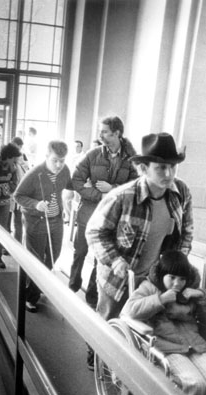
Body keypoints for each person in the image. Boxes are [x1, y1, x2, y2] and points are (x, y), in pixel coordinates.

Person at [86, 132, 193, 323]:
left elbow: (187, 230)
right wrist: (115, 261)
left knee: (140, 330)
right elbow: (95, 232)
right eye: (161, 168)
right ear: (144, 168)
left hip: (154, 281)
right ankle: (94, 354)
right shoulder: (122, 197)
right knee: (109, 326)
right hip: (118, 280)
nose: (168, 174)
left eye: (172, 167)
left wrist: (179, 261)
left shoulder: (181, 192)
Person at [121, 250, 206, 395]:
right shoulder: (150, 287)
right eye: (172, 277)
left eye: (182, 279)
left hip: (193, 343)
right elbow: (129, 310)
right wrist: (160, 299)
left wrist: (200, 296)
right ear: (162, 275)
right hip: (167, 346)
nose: (177, 283)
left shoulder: (190, 291)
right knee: (196, 383)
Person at [70, 116, 137, 305]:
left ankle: (92, 296)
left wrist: (112, 189)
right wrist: (98, 195)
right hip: (88, 211)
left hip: (113, 217)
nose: (100, 134)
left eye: (104, 131)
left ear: (116, 133)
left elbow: (134, 187)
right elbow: (76, 180)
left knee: (102, 256)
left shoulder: (132, 159)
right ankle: (72, 284)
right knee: (80, 250)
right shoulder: (92, 155)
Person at [14, 140, 72, 313]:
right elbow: (18, 195)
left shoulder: (65, 170)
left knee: (53, 256)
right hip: (36, 221)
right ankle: (30, 296)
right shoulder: (35, 174)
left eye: (62, 160)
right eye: (55, 160)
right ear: (46, 156)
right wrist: (35, 204)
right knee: (36, 260)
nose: (59, 165)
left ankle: (39, 285)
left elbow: (71, 184)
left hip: (56, 220)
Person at [8, 136, 29, 243]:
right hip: (9, 193)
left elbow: (28, 172)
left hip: (19, 193)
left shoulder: (22, 157)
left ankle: (17, 245)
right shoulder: (7, 158)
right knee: (7, 222)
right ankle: (5, 246)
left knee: (18, 222)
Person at [62, 140, 85, 224]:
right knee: (66, 198)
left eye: (78, 146)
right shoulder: (70, 156)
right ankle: (68, 217)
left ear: (81, 147)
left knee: (77, 200)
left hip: (79, 180)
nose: (76, 148)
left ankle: (75, 219)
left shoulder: (84, 156)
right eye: (75, 146)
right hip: (70, 180)